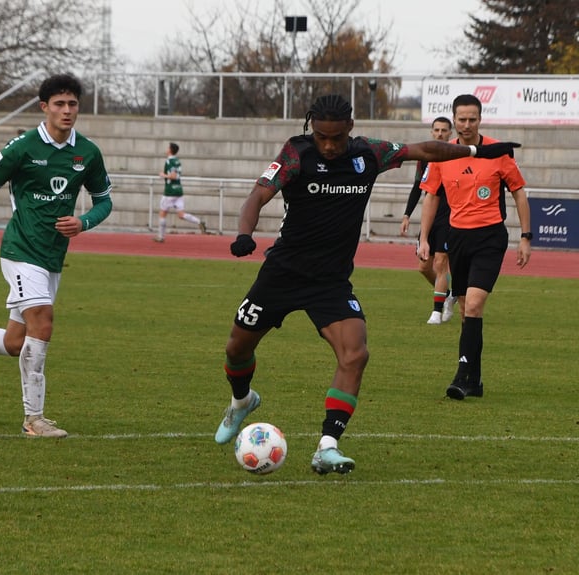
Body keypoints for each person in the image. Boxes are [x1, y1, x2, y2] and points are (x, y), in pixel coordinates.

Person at [216, 94, 519, 474]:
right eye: (322, 137)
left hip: (330, 282)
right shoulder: (297, 153)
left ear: (350, 130)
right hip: (282, 273)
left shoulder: (368, 155)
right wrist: (245, 233)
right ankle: (242, 400)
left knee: (356, 353)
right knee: (236, 349)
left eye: (336, 138)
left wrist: (474, 150)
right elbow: (257, 195)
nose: (327, 146)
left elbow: (421, 149)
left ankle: (327, 446)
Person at [0, 73, 113, 438]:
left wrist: (84, 221)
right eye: (59, 104)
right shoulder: (22, 147)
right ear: (44, 107)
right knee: (42, 323)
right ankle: (34, 420)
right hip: (19, 250)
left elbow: (104, 201)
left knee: (16, 343)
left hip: (52, 256)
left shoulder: (87, 153)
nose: (67, 110)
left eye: (72, 104)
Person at [417, 93, 531, 401]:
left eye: (473, 119)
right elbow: (431, 197)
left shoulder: (497, 152)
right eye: (462, 119)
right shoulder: (444, 153)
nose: (467, 124)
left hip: (489, 238)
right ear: (454, 120)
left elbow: (519, 192)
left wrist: (525, 236)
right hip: (457, 237)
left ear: (480, 119)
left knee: (474, 305)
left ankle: (461, 378)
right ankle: (476, 380)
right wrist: (424, 237)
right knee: (467, 312)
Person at [400, 116, 456, 324]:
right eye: (436, 130)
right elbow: (417, 187)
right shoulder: (425, 158)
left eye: (444, 130)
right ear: (432, 132)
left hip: (450, 215)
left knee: (441, 262)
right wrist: (407, 214)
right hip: (430, 216)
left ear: (451, 133)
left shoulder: (455, 155)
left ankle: (437, 311)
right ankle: (449, 293)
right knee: (424, 267)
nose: (440, 133)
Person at [154, 142, 206, 242]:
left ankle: (161, 237)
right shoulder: (177, 161)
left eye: (168, 148)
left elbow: (173, 176)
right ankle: (199, 221)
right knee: (181, 215)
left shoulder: (170, 161)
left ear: (170, 150)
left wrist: (163, 175)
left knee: (162, 214)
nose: (166, 149)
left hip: (170, 192)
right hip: (179, 191)